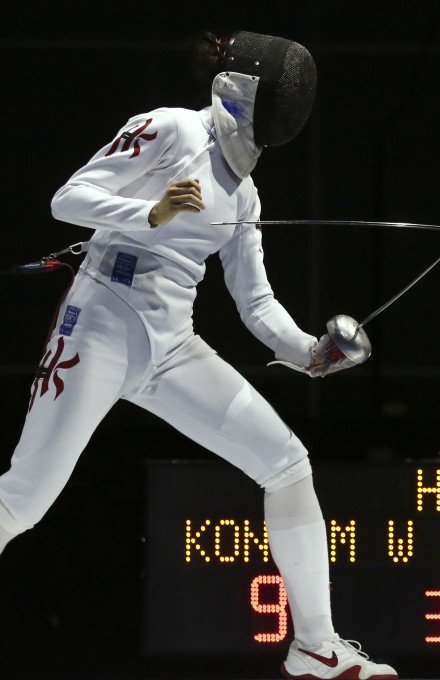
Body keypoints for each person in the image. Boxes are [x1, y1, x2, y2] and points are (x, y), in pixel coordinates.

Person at [0, 30, 398, 680]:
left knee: (287, 463)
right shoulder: (170, 128)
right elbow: (67, 199)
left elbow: (257, 303)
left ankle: (316, 648)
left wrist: (310, 352)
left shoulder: (245, 195)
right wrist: (150, 213)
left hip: (170, 345)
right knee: (24, 501)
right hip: (100, 321)